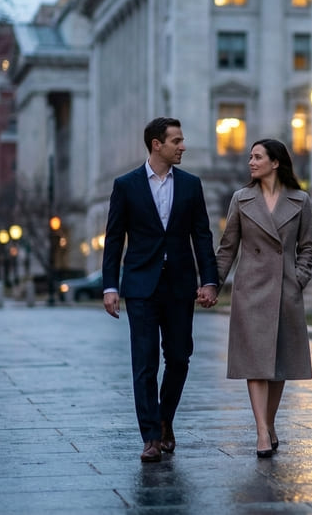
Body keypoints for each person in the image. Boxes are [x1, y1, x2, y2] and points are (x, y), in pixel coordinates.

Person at [101, 117, 218, 462]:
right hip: (140, 285)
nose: (183, 146)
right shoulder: (126, 185)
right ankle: (151, 436)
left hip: (180, 284)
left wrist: (209, 280)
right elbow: (113, 239)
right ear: (157, 144)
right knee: (145, 361)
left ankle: (165, 417)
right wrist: (111, 286)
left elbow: (202, 235)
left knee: (180, 357)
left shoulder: (191, 185)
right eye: (177, 141)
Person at [204, 138, 312, 458]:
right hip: (251, 290)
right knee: (256, 363)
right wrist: (212, 284)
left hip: (284, 289)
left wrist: (299, 278)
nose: (250, 162)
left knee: (279, 364)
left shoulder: (300, 200)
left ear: (275, 162)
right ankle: (262, 431)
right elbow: (227, 248)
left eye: (257, 157)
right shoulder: (241, 199)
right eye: (250, 157)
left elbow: (308, 246)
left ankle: (269, 422)